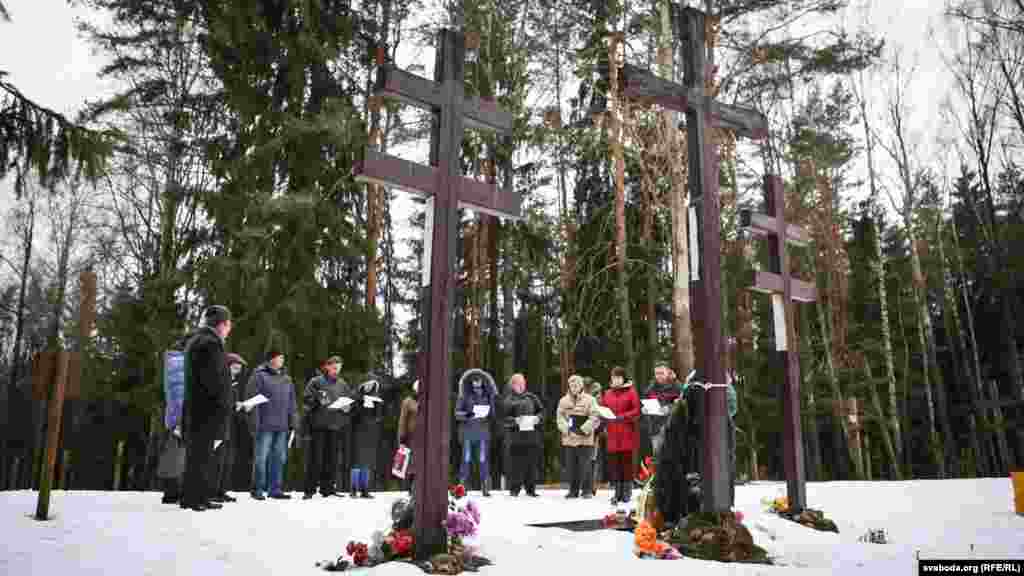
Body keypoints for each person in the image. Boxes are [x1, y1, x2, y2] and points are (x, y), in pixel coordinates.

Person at [180, 305, 233, 512]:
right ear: (222, 325)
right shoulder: (211, 344)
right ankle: (195, 498)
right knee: (201, 454)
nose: (229, 330)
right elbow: (215, 380)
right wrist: (222, 405)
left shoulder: (198, 340)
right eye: (228, 325)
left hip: (196, 406)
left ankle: (193, 496)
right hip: (207, 408)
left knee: (197, 453)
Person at [246, 349, 298, 500]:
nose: (282, 360)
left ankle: (275, 489)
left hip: (282, 426)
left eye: (282, 357)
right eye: (279, 357)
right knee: (261, 458)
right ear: (271, 359)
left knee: (279, 458)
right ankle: (257, 489)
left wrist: (294, 421)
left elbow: (292, 402)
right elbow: (251, 400)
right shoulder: (259, 376)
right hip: (264, 425)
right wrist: (254, 422)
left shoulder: (287, 379)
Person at [302, 355, 352, 499]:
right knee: (315, 458)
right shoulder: (316, 381)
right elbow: (306, 399)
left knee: (331, 459)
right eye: (334, 367)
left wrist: (347, 408)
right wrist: (317, 399)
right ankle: (309, 490)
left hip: (335, 425)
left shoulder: (342, 384)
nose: (337, 370)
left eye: (339, 368)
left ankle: (328, 489)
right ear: (327, 366)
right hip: (318, 424)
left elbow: (348, 401)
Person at [209, 352, 248, 503]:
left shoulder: (234, 385)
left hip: (229, 427)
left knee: (227, 461)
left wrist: (242, 407)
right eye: (235, 367)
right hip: (217, 427)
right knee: (216, 461)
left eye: (239, 368)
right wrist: (233, 406)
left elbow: (232, 407)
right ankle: (211, 491)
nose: (237, 371)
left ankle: (221, 490)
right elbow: (218, 404)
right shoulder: (219, 382)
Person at [556, 374, 600, 499]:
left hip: (585, 439)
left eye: (577, 385)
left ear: (581, 386)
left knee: (585, 465)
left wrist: (584, 429)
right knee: (571, 466)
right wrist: (567, 430)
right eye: (572, 385)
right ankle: (573, 490)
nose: (574, 387)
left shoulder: (590, 400)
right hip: (569, 439)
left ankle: (586, 490)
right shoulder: (563, 401)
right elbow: (560, 418)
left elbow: (595, 416)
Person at [601, 366, 640, 505]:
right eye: (613, 378)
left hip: (627, 432)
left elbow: (636, 410)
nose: (615, 380)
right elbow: (603, 409)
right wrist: (604, 417)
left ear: (623, 378)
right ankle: (617, 493)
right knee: (614, 464)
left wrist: (621, 417)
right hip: (612, 433)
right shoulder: (607, 393)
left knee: (626, 463)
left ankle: (627, 492)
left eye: (618, 377)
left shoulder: (631, 392)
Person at [455, 371, 497, 496]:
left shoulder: (487, 395)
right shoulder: (464, 395)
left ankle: (485, 488)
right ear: (471, 382)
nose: (477, 383)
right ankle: (462, 487)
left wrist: (491, 405)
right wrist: (467, 415)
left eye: (479, 381)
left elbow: (493, 415)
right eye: (475, 381)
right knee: (466, 459)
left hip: (483, 433)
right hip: (468, 432)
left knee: (483, 459)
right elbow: (457, 413)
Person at [501, 373, 544, 497]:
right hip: (516, 438)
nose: (521, 386)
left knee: (531, 464)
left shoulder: (532, 397)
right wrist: (515, 421)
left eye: (523, 383)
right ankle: (514, 489)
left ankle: (531, 489)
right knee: (516, 465)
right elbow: (503, 419)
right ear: (513, 385)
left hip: (531, 437)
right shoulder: (508, 400)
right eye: (518, 384)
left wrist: (538, 418)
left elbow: (542, 411)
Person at [350, 375, 387, 498]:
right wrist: (362, 404)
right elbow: (352, 414)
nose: (370, 386)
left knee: (367, 462)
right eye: (368, 384)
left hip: (370, 432)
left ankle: (365, 489)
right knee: (356, 462)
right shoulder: (355, 396)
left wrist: (375, 406)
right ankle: (354, 489)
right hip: (357, 431)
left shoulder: (376, 398)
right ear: (363, 384)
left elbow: (379, 416)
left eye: (372, 384)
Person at [641, 365, 684, 459]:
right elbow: (645, 402)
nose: (659, 376)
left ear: (668, 372)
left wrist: (669, 408)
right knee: (658, 457)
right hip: (655, 428)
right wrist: (644, 409)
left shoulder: (677, 386)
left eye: (661, 373)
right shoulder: (651, 387)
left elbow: (682, 403)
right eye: (657, 373)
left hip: (672, 428)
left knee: (673, 457)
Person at [397, 379, 419, 495]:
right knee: (411, 463)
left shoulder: (429, 401)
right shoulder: (408, 402)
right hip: (411, 437)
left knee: (421, 463)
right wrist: (402, 437)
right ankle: (410, 487)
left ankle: (420, 487)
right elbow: (402, 420)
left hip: (424, 438)